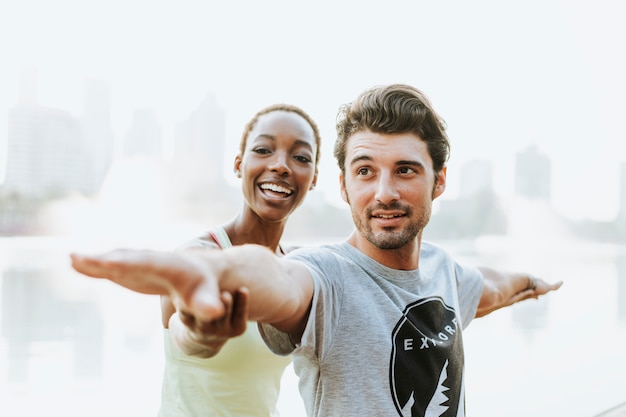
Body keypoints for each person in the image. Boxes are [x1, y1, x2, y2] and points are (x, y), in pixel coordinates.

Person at [71, 84, 562, 417]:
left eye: (406, 170)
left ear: (440, 182)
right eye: (366, 170)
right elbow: (274, 282)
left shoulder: (444, 271)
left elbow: (490, 287)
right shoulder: (319, 272)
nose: (385, 192)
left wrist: (533, 284)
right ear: (346, 187)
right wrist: (207, 295)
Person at [157, 103, 321, 416]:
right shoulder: (199, 256)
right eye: (263, 150)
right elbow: (184, 327)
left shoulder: (302, 267)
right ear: (238, 164)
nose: (281, 166)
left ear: (313, 178)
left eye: (300, 157)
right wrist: (200, 332)